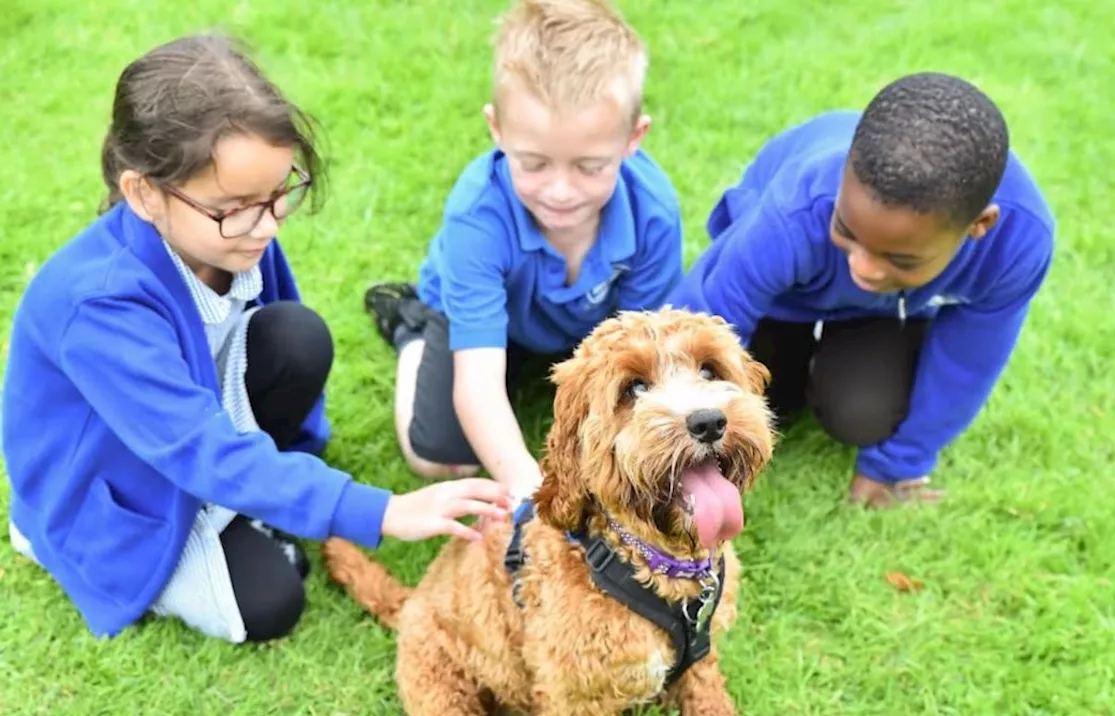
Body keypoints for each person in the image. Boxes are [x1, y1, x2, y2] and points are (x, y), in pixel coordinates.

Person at [1, 33, 511, 646]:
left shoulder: (230, 233)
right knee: (270, 603)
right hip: (111, 474)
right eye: (237, 206)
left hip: (194, 426)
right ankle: (54, 537)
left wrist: (290, 476)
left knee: (298, 338)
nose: (266, 223)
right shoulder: (99, 304)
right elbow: (198, 449)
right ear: (144, 193)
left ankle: (257, 495)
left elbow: (251, 360)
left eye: (278, 195)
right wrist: (382, 511)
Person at [667, 72, 1056, 508]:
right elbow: (697, 323)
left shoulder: (1020, 241)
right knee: (759, 394)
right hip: (783, 302)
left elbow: (968, 359)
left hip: (882, 317)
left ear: (977, 227)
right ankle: (792, 367)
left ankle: (826, 369)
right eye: (845, 230)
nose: (863, 268)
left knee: (862, 414)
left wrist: (895, 466)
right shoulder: (798, 206)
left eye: (901, 258)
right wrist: (668, 441)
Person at [362, 0, 683, 502]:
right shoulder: (477, 217)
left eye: (589, 167)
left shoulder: (654, 212)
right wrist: (530, 492)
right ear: (497, 130)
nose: (559, 191)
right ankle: (413, 331)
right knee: (436, 454)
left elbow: (647, 349)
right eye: (533, 163)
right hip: (486, 329)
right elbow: (478, 382)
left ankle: (543, 362)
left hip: (581, 327)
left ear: (632, 138)